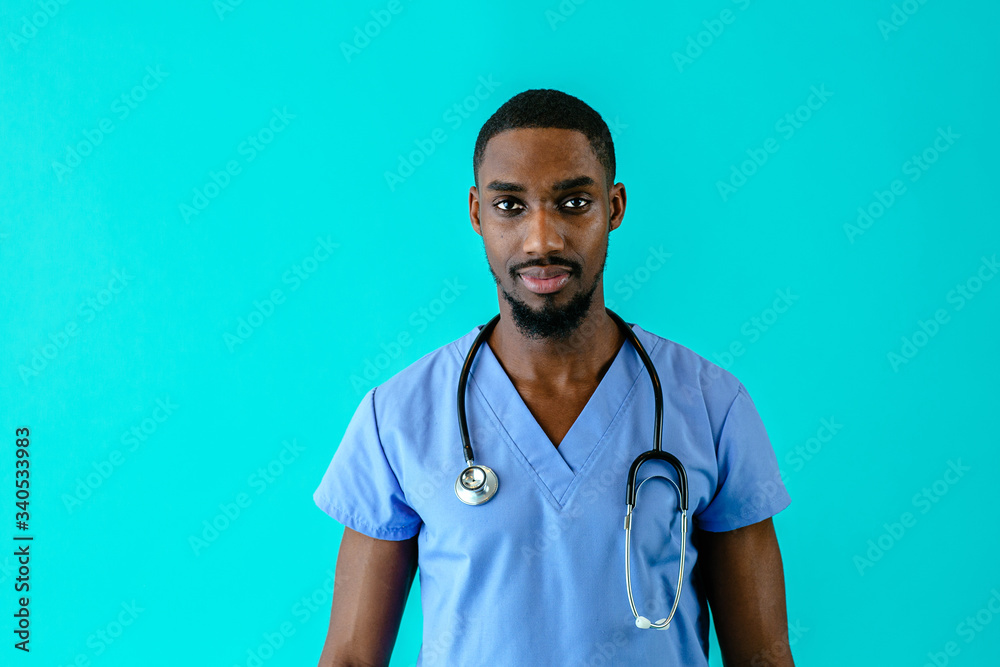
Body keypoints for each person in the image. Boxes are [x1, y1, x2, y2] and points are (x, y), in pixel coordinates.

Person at [313, 89, 794, 666]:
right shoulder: (398, 416)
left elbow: (764, 656)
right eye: (510, 206)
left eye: (573, 203)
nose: (542, 239)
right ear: (476, 214)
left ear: (614, 208)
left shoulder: (711, 405)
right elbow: (349, 658)